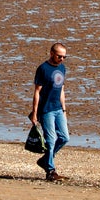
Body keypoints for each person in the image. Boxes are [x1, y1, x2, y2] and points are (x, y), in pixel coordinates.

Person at [29, 42, 70, 182]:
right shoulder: (43, 69)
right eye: (59, 56)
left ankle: (45, 160)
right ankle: (50, 171)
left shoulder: (62, 68)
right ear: (52, 53)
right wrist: (34, 113)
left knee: (64, 137)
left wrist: (64, 109)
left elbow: (61, 90)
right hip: (46, 110)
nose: (62, 59)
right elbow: (37, 92)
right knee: (51, 140)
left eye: (64, 57)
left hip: (58, 109)